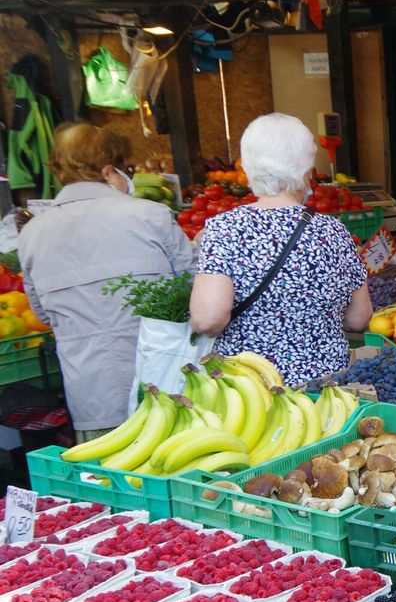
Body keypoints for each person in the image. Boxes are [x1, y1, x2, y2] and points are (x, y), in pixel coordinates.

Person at [18, 123, 193, 440]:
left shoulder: (31, 234)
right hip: (169, 383)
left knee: (105, 470)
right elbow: (193, 286)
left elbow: (43, 314)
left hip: (90, 395)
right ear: (109, 169)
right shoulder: (150, 215)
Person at [190, 113, 371, 386]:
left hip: (251, 389)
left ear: (248, 167)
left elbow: (208, 320)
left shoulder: (224, 230)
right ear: (306, 170)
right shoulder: (334, 231)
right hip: (324, 387)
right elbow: (358, 319)